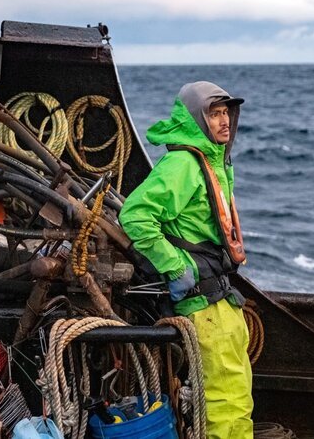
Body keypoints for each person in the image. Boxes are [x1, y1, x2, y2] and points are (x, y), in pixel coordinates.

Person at [119, 81, 253, 438]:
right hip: (204, 306)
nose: (224, 121)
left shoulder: (213, 161)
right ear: (196, 119)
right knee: (225, 406)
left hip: (222, 299)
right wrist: (175, 266)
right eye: (214, 113)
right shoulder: (183, 164)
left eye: (226, 112)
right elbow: (135, 215)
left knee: (238, 400)